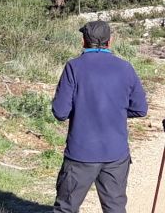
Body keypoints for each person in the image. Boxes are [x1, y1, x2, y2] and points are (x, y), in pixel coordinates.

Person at [51, 20, 149, 213]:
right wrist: (116, 111)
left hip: (80, 153)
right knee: (115, 208)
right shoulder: (125, 67)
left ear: (83, 41)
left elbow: (60, 112)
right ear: (109, 41)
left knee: (66, 208)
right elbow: (140, 109)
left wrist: (82, 110)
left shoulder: (73, 67)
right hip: (116, 153)